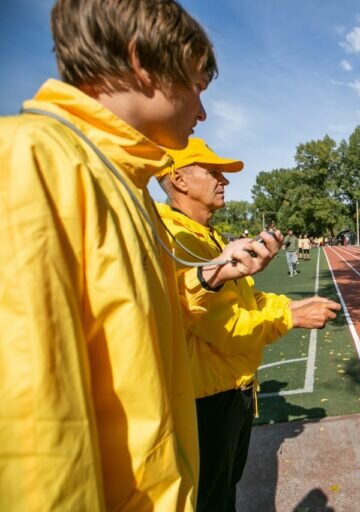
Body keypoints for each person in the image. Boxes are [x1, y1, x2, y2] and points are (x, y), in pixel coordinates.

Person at [0, 0, 267, 509]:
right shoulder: (29, 164)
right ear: (141, 61)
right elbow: (37, 440)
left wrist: (208, 276)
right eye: (195, 86)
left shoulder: (124, 186)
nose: (202, 111)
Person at [155, 138, 341, 512]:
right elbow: (222, 327)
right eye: (212, 172)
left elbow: (249, 299)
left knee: (225, 492)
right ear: (178, 179)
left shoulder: (206, 236)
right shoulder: (174, 239)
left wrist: (291, 304)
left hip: (230, 390)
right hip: (204, 400)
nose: (224, 180)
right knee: (210, 500)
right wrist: (292, 317)